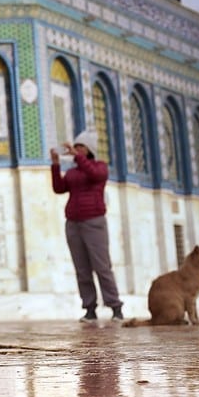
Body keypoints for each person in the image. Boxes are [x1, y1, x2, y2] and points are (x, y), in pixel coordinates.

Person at [50, 130, 123, 322]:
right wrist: (56, 164)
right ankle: (89, 308)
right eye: (76, 146)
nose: (76, 149)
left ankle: (115, 307)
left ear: (89, 149)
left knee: (102, 266)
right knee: (82, 269)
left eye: (80, 146)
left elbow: (95, 175)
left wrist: (78, 157)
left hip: (94, 222)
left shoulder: (100, 167)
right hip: (74, 223)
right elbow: (59, 188)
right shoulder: (73, 172)